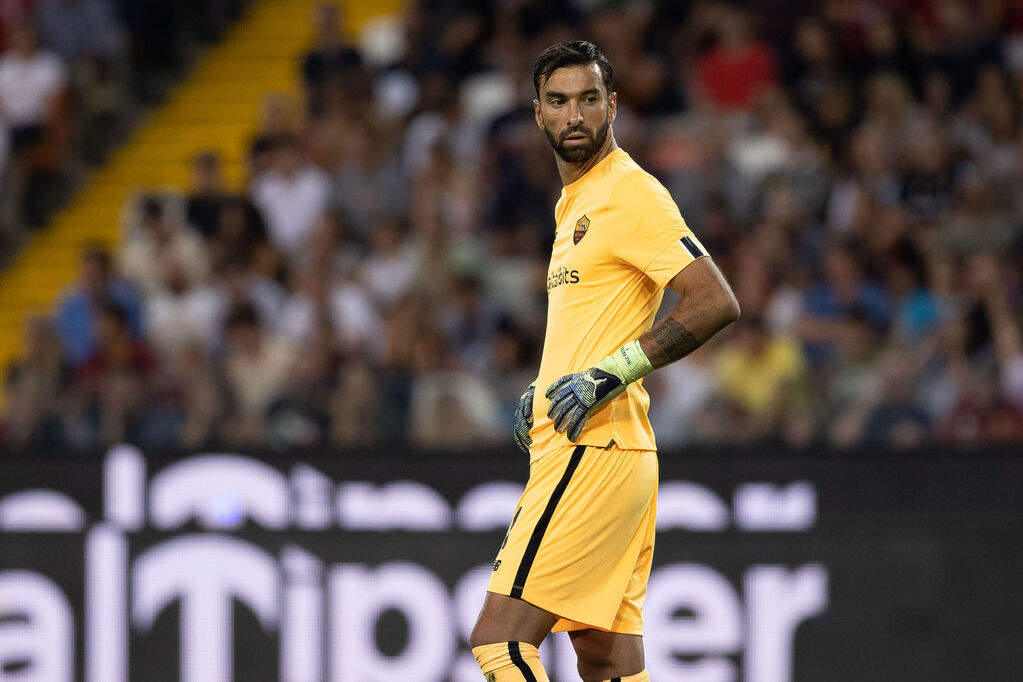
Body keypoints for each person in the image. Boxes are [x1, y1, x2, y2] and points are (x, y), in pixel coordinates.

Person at [469, 41, 740, 682]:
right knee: (607, 661)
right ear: (536, 114)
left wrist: (608, 373)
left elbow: (714, 301)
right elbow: (596, 320)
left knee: (499, 643)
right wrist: (545, 386)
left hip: (594, 449)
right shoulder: (577, 203)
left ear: (612, 106)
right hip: (613, 453)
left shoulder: (628, 192)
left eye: (589, 100)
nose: (574, 116)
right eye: (558, 102)